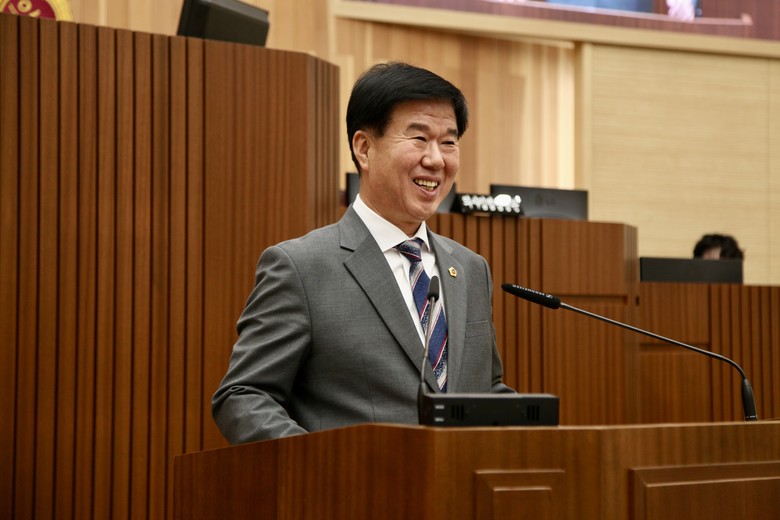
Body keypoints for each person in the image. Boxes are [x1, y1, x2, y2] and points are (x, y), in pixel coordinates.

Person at [212, 62, 514, 443]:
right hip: (350, 481)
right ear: (364, 148)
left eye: (449, 142)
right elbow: (243, 396)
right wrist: (322, 465)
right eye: (419, 138)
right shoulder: (301, 268)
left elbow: (485, 392)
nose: (437, 160)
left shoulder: (470, 268)